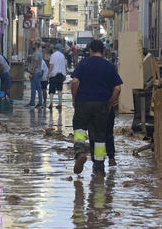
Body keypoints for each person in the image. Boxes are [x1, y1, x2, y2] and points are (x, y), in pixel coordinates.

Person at [70, 39, 122, 175]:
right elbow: (117, 88)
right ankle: (99, 167)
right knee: (99, 136)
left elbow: (74, 81)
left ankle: (80, 152)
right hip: (102, 104)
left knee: (80, 130)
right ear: (103, 51)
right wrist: (110, 102)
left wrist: (75, 99)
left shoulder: (84, 63)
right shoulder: (109, 66)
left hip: (84, 102)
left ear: (91, 50)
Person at [47, 44, 66, 110]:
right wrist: (65, 75)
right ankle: (60, 104)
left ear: (53, 49)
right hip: (60, 74)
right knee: (59, 89)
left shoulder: (53, 55)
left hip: (53, 75)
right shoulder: (62, 55)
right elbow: (64, 65)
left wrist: (48, 74)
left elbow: (51, 66)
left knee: (51, 89)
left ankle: (51, 103)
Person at [26, 42, 44, 108]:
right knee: (38, 88)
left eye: (33, 44)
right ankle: (38, 102)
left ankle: (34, 102)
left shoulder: (36, 54)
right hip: (38, 72)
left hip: (35, 72)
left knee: (34, 88)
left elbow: (35, 64)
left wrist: (31, 73)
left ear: (36, 45)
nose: (32, 45)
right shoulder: (39, 53)